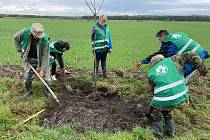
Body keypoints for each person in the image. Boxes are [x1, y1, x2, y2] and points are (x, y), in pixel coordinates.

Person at [146, 53, 207, 139]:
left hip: (166, 98)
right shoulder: (173, 60)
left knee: (153, 113)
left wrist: (153, 106)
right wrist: (202, 69)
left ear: (152, 64)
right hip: (183, 96)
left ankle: (157, 135)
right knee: (166, 111)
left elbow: (153, 91)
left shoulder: (151, 73)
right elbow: (193, 55)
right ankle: (171, 134)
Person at [136, 30, 209, 81]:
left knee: (180, 76)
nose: (160, 41)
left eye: (159, 39)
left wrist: (142, 61)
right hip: (202, 50)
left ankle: (182, 92)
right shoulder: (180, 34)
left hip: (195, 56)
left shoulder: (169, 43)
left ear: (164, 36)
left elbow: (160, 54)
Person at [13, 23, 51, 98]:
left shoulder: (45, 40)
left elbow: (45, 56)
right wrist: (20, 51)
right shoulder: (24, 32)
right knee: (27, 79)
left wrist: (42, 70)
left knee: (47, 79)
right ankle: (29, 91)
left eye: (40, 37)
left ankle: (47, 91)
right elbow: (15, 38)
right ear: (32, 33)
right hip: (28, 58)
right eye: (37, 36)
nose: (39, 38)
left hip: (41, 59)